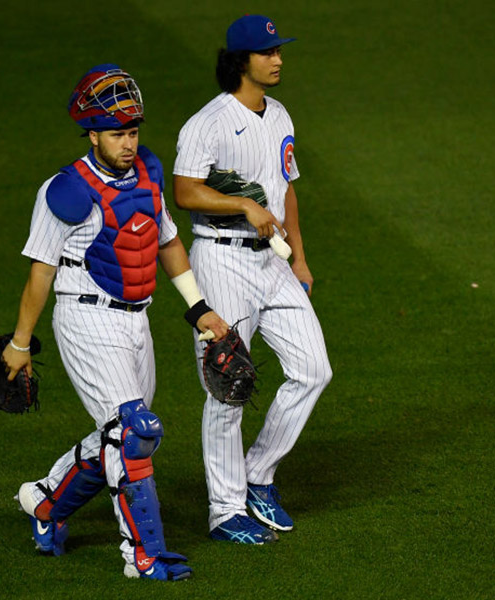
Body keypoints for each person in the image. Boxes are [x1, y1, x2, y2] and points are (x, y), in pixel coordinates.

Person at [2, 63, 229, 580]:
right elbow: (41, 271)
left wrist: (198, 308)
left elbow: (165, 239)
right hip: (85, 318)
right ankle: (143, 556)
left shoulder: (147, 170)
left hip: (136, 322)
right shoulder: (65, 190)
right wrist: (20, 343)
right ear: (91, 133)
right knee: (133, 432)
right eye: (116, 134)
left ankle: (45, 502)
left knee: (127, 437)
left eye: (132, 132)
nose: (128, 143)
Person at [172, 15, 333, 544]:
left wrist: (301, 262)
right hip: (221, 260)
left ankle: (259, 474)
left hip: (273, 262)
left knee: (313, 370)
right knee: (227, 385)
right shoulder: (208, 123)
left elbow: (286, 193)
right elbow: (185, 191)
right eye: (268, 52)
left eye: (279, 51)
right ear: (242, 61)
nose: (279, 59)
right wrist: (242, 204)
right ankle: (225, 510)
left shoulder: (280, 114)